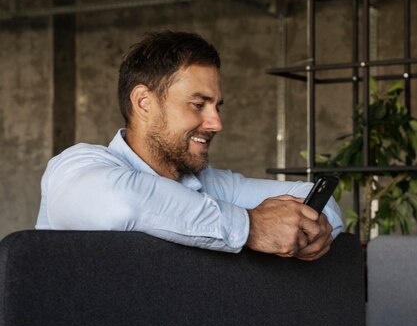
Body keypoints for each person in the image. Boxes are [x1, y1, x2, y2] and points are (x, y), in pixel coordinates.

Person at [36, 31, 343, 260]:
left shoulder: (214, 186)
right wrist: (250, 226)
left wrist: (314, 231)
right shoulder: (75, 168)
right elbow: (123, 202)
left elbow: (319, 201)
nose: (216, 123)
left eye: (217, 106)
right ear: (144, 102)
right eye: (198, 104)